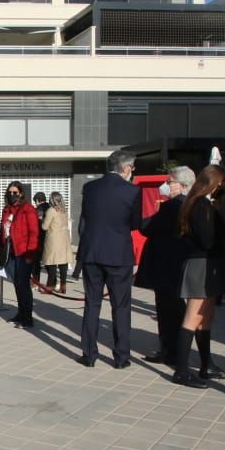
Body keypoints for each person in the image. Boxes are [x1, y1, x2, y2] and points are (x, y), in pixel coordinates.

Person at [76, 150, 142, 368]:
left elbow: (85, 220)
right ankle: (121, 357)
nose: (132, 172)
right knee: (121, 306)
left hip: (92, 252)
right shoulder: (132, 191)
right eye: (132, 168)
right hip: (119, 253)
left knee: (92, 304)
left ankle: (89, 354)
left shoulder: (90, 188)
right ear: (125, 169)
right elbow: (135, 223)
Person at [172, 165, 225, 387]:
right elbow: (207, 239)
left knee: (205, 318)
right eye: (222, 184)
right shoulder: (202, 205)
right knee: (193, 318)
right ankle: (181, 370)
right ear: (214, 183)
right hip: (202, 263)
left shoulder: (197, 203)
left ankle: (207, 363)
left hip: (207, 263)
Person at [137, 167, 194, 368]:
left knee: (168, 310)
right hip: (180, 264)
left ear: (183, 185)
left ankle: (170, 350)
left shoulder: (172, 206)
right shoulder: (191, 204)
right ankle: (173, 350)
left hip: (166, 265)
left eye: (170, 182)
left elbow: (148, 227)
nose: (166, 185)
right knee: (175, 309)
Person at [0, 181, 40, 329]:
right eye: (10, 192)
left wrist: (30, 254)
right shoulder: (7, 210)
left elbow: (34, 233)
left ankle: (27, 317)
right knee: (17, 284)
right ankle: (21, 313)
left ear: (21, 193)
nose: (12, 195)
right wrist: (0, 249)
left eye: (15, 192)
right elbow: (2, 231)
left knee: (23, 285)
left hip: (23, 252)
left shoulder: (27, 209)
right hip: (10, 252)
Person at [41, 190, 72, 293]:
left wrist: (41, 220)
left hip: (53, 239)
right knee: (63, 263)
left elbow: (45, 227)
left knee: (51, 263)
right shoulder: (64, 210)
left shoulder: (51, 211)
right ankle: (63, 285)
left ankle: (50, 286)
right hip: (64, 238)